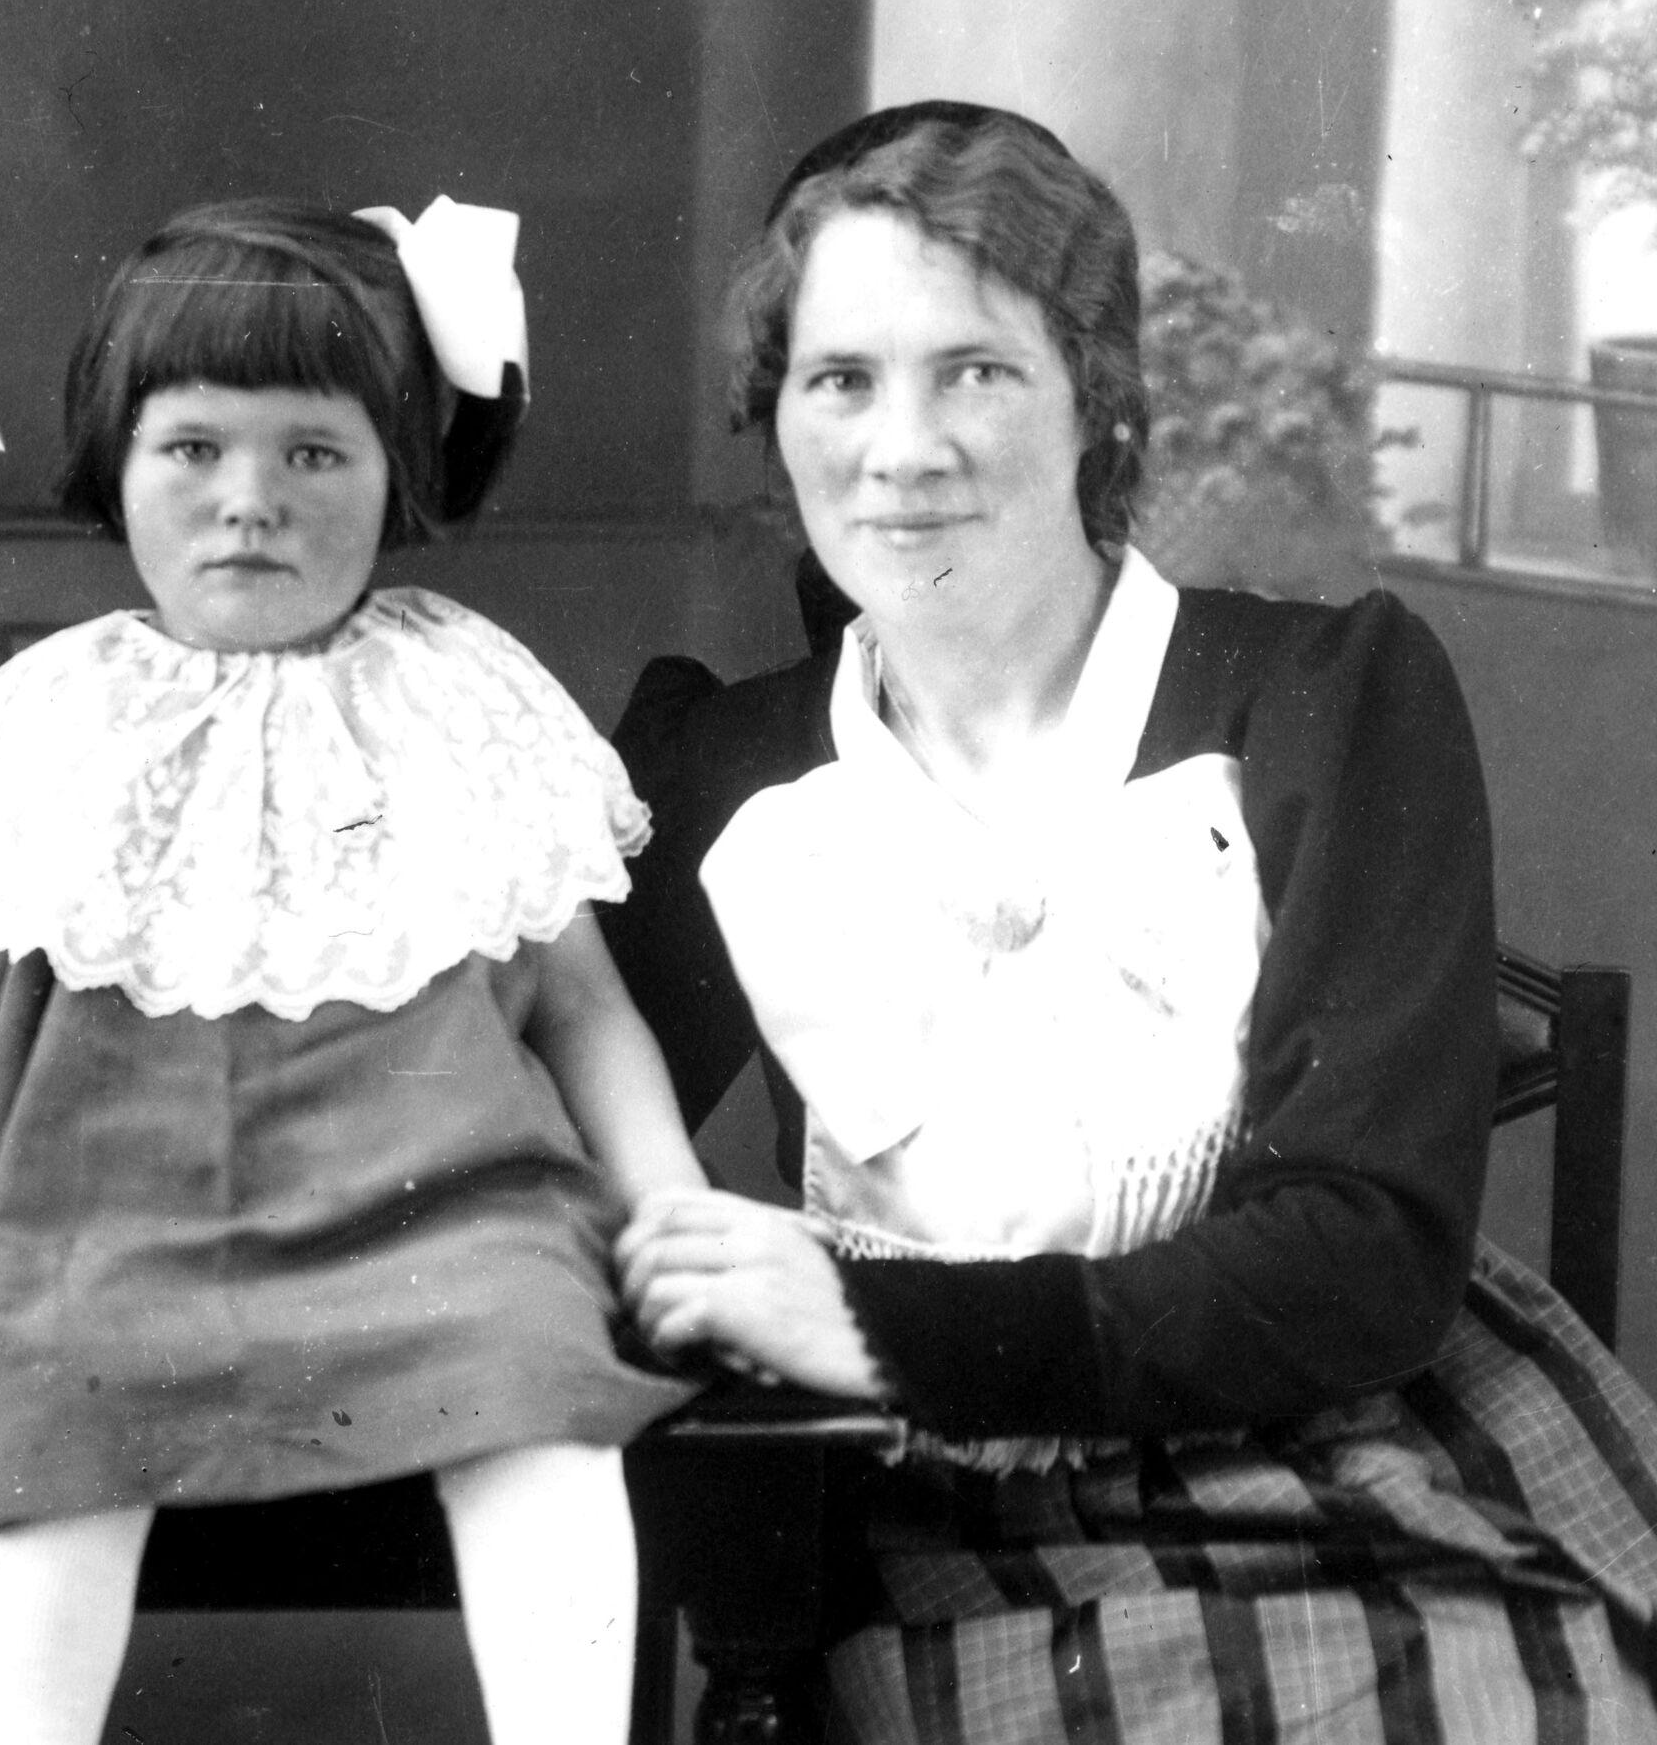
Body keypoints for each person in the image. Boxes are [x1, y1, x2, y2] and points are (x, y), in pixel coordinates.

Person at [604, 101, 1657, 1739]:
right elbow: (540, 1161)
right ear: (777, 413)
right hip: (917, 1501)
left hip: (1355, 1457)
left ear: (1097, 397)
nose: (903, 449)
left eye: (976, 371)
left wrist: (874, 1318)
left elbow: (1365, 1255)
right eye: (842, 380)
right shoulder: (725, 765)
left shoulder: (1325, 695)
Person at [0, 197, 705, 1744]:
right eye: (192, 447)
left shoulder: (458, 692)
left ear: (401, 477)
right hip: (100, 1230)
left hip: (438, 1222)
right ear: (114, 464)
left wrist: (676, 1218)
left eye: (314, 452)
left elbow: (586, 1006)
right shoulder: (68, 709)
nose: (248, 500)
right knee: (37, 1426)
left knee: (543, 1397)